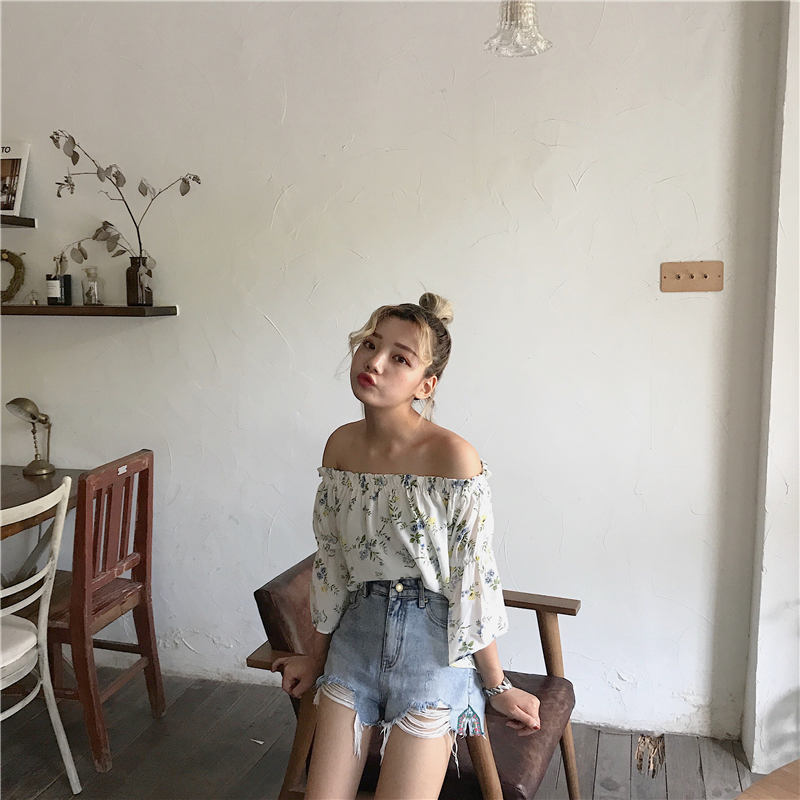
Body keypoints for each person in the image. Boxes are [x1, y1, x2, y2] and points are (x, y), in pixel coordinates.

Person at [272, 293, 541, 800]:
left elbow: (472, 579)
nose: (374, 362)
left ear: (426, 384)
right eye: (371, 345)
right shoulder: (341, 446)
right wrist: (315, 656)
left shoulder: (453, 456)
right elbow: (333, 564)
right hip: (354, 641)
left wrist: (497, 685)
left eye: (400, 358)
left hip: (433, 651)